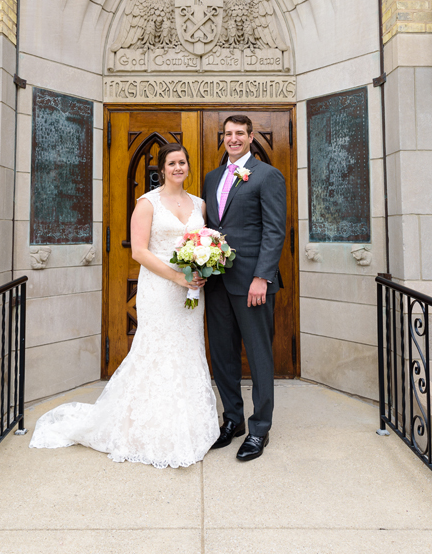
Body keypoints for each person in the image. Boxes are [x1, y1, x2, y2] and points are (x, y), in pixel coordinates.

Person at [30, 142, 219, 468]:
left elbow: (204, 243)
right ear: (162, 169)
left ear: (189, 167)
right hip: (160, 290)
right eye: (172, 163)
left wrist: (200, 270)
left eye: (182, 163)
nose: (178, 168)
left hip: (190, 291)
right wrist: (176, 278)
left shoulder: (199, 204)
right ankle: (145, 429)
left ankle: (188, 425)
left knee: (187, 350)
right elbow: (139, 252)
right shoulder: (147, 203)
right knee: (156, 350)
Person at [201, 115, 286, 462]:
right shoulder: (211, 177)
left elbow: (274, 230)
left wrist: (262, 277)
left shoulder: (267, 175)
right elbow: (211, 227)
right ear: (222, 138)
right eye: (228, 134)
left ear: (251, 137)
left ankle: (259, 428)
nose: (233, 139)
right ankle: (232, 419)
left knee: (259, 355)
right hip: (217, 281)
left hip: (253, 283)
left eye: (240, 134)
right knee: (222, 355)